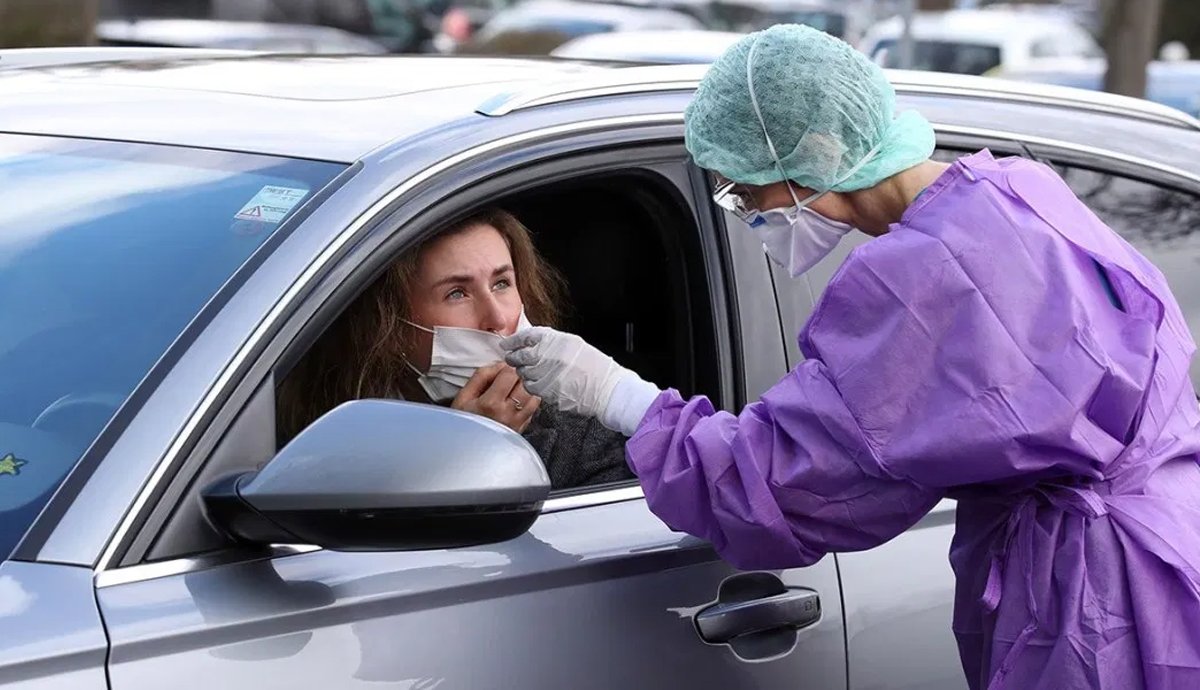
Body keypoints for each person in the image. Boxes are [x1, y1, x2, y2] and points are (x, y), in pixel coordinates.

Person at [499, 24, 1200, 690]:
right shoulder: (1019, 191)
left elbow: (783, 481)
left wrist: (616, 393)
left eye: (747, 189)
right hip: (1174, 548)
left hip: (1097, 607)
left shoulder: (919, 279)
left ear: (821, 151)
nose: (748, 211)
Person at [278, 207, 632, 490]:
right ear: (389, 325)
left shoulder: (580, 433)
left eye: (502, 283)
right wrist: (461, 448)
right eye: (457, 293)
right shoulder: (323, 425)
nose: (497, 318)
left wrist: (497, 449)